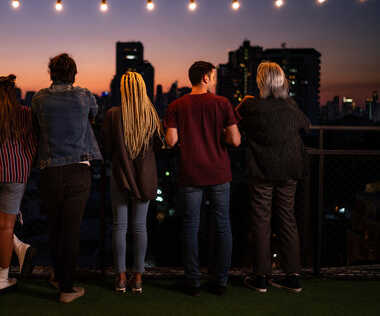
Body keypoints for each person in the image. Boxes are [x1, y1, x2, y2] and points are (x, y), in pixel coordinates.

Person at [163, 61, 241, 296]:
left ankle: (193, 282)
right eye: (214, 76)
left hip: (191, 174)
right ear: (206, 78)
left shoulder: (177, 105)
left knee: (190, 227)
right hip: (218, 172)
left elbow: (171, 141)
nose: (215, 80)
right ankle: (220, 282)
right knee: (223, 227)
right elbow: (236, 141)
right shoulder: (223, 103)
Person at [31, 53, 102, 303]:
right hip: (78, 170)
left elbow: (36, 128)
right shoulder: (84, 96)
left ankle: (58, 277)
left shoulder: (39, 98)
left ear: (51, 73)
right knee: (71, 232)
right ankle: (67, 289)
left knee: (54, 229)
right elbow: (95, 113)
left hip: (50, 169)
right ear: (73, 73)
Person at [237, 61, 310, 293]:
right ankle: (294, 276)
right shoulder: (290, 105)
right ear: (281, 81)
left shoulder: (251, 106)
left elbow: (232, 120)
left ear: (260, 81)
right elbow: (306, 125)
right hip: (289, 170)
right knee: (287, 219)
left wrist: (245, 100)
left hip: (262, 170)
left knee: (261, 221)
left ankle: (261, 278)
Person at [0, 74, 38, 294]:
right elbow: (33, 142)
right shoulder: (25, 114)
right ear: (13, 92)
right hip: (15, 175)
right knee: (6, 227)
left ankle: (19, 247)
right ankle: (4, 276)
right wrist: (25, 163)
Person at [102, 71, 163, 293]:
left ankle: (120, 277)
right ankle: (137, 278)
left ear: (123, 90)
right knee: (140, 227)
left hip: (120, 175)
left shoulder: (112, 114)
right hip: (144, 176)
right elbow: (159, 146)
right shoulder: (151, 115)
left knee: (119, 226)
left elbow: (107, 148)